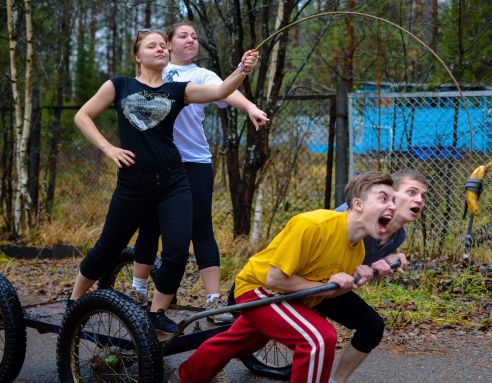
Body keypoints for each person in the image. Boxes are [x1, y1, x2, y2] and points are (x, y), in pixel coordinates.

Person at [68, 28, 260, 335]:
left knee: (177, 250)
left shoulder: (178, 90)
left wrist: (242, 69)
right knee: (109, 246)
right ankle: (74, 302)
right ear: (137, 55)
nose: (160, 49)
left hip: (173, 182)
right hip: (133, 184)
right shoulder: (120, 85)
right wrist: (109, 148)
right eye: (151, 46)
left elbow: (221, 91)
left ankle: (157, 311)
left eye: (162, 46)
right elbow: (82, 116)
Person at [169, 171, 398, 383]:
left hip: (289, 296)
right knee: (317, 339)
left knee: (239, 341)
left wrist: (351, 283)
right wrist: (328, 287)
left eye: (394, 201)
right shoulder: (313, 225)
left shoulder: (356, 250)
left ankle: (183, 376)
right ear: (358, 203)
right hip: (257, 288)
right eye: (384, 198)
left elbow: (325, 292)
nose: (393, 207)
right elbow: (274, 279)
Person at [128, 20, 269, 325]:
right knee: (150, 224)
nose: (191, 40)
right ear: (168, 43)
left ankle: (213, 302)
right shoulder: (155, 72)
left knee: (201, 227)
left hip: (194, 162)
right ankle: (138, 289)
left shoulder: (202, 75)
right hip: (157, 163)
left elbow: (226, 92)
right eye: (183, 35)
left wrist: (250, 107)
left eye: (194, 36)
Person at [321, 168, 428, 383]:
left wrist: (386, 263)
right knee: (321, 337)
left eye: (423, 196)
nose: (419, 200)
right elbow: (321, 257)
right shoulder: (350, 216)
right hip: (309, 283)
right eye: (412, 192)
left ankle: (337, 381)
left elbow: (363, 271)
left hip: (335, 289)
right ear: (390, 195)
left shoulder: (398, 235)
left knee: (372, 326)